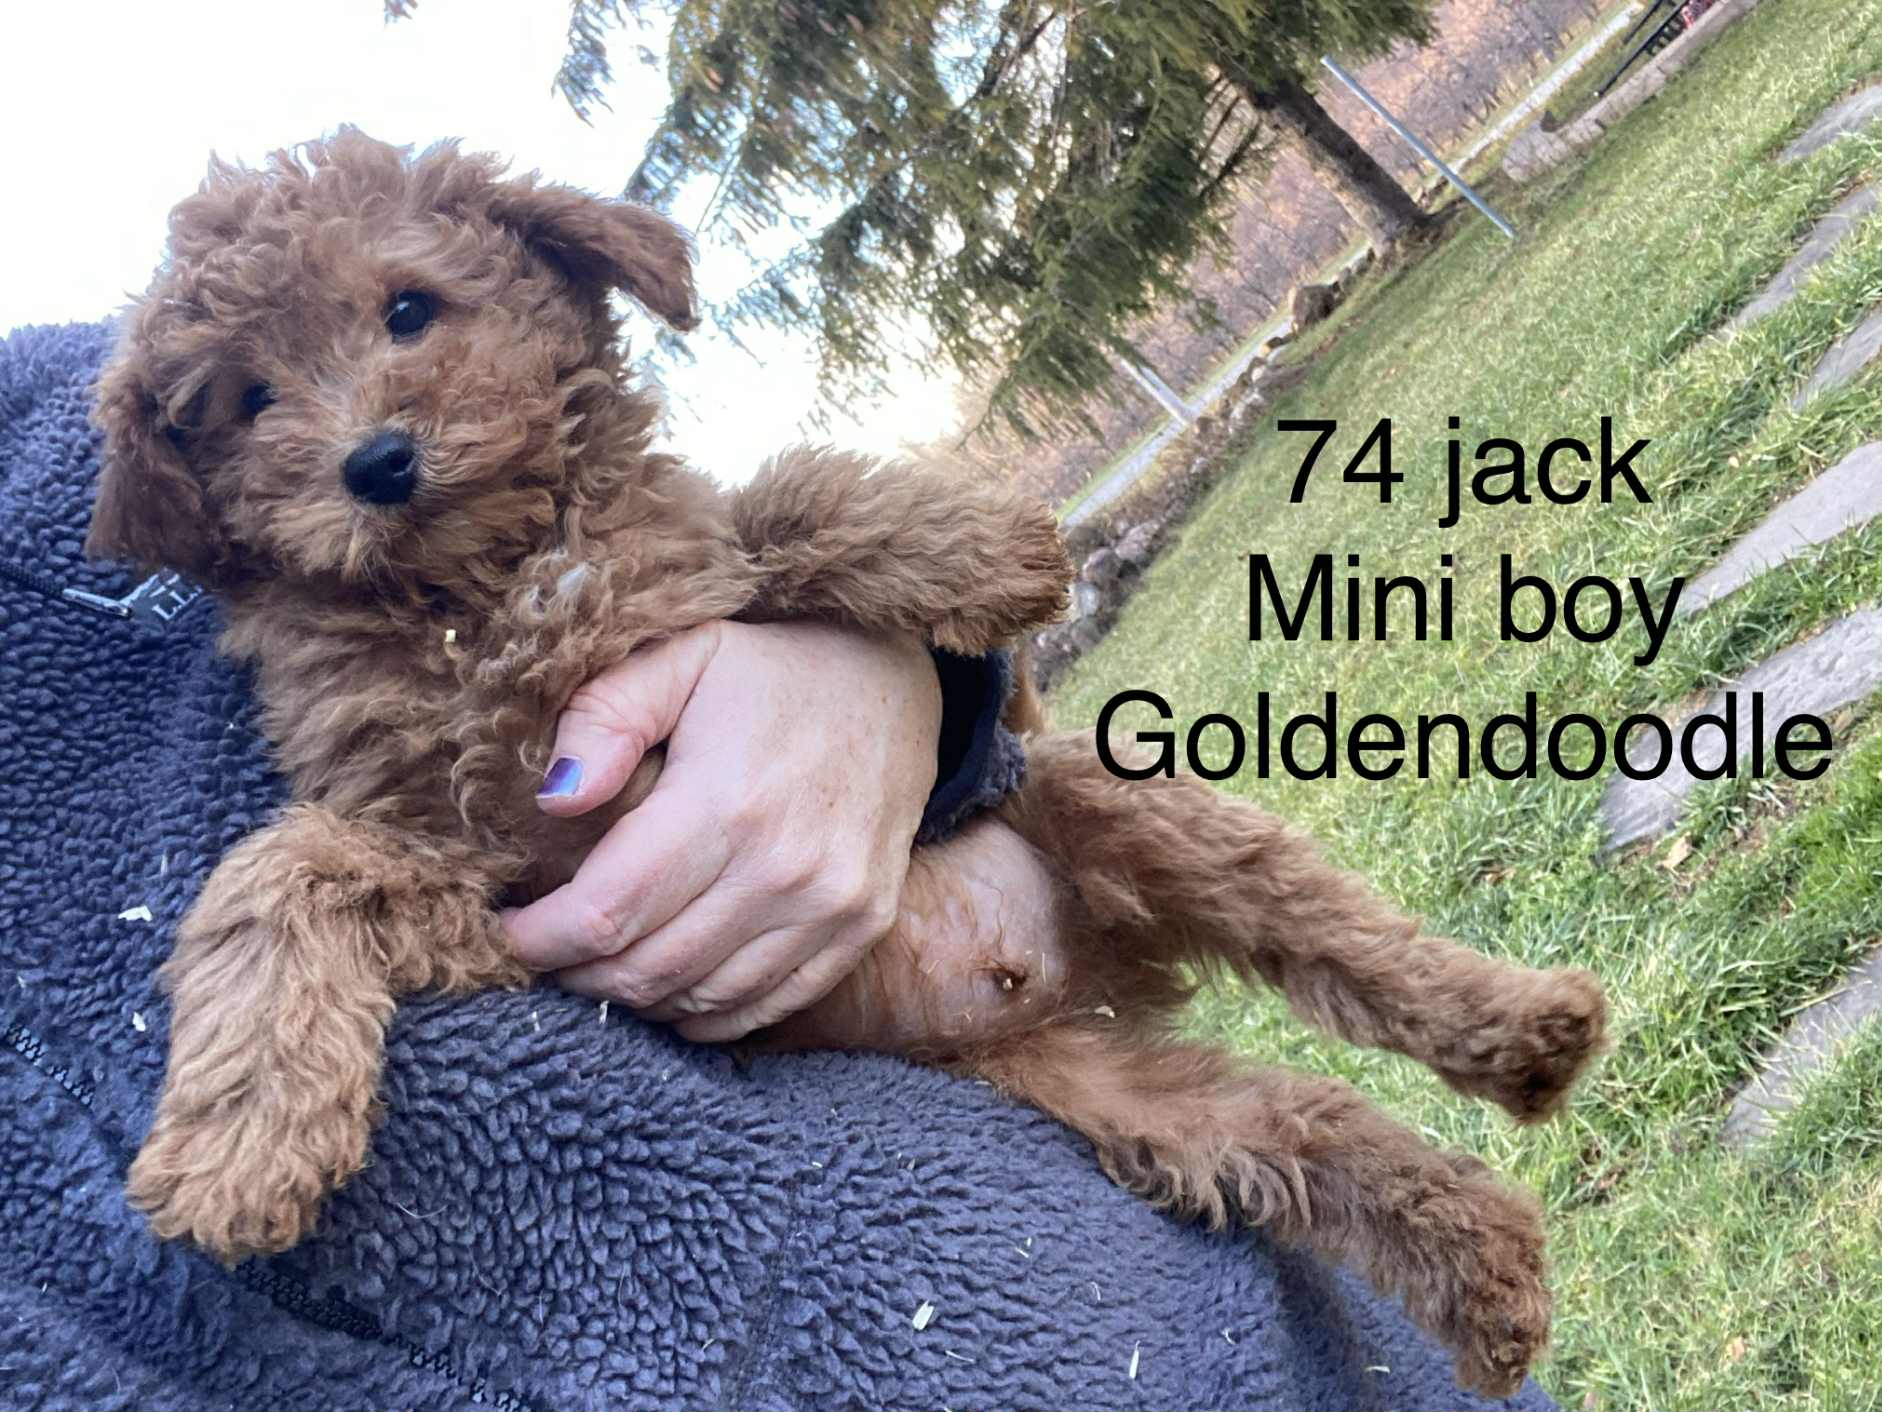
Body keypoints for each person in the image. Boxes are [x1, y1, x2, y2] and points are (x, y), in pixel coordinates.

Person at [0, 318, 1556, 1410]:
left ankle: (1455, 1006)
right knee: (1185, 1124)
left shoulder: (40, 444)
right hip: (911, 1127)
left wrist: (882, 654)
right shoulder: (315, 680)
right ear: (187, 486)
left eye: (411, 314)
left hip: (1022, 945)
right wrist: (311, 923)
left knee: (1137, 809)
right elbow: (441, 896)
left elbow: (799, 567)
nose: (363, 424)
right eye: (256, 400)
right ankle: (1435, 1222)